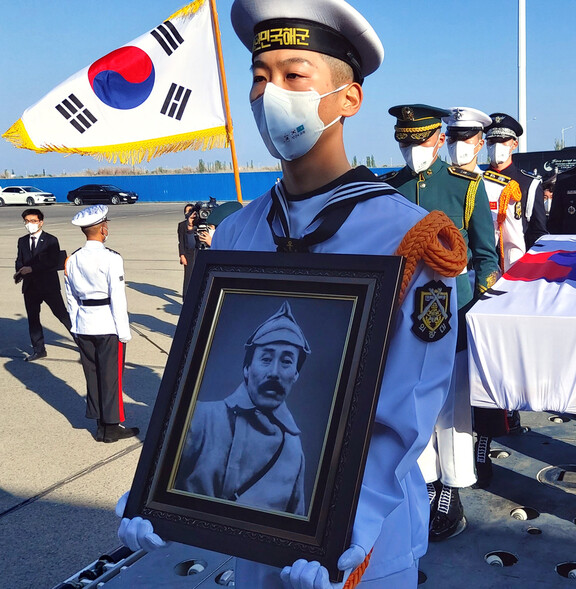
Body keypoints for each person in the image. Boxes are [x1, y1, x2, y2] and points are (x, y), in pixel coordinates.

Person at [117, 2, 465, 587]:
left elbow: (411, 404)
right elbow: (203, 377)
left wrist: (351, 521)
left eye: (294, 75)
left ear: (349, 99)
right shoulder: (237, 232)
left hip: (366, 541)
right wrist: (161, 487)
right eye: (259, 77)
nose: (269, 94)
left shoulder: (409, 238)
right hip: (250, 528)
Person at [382, 104, 499, 541]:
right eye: (405, 142)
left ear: (437, 140)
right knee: (410, 401)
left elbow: (486, 256)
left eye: (420, 141)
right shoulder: (388, 189)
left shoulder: (465, 187)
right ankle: (425, 482)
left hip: (453, 309)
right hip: (402, 313)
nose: (413, 149)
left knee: (451, 406)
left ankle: (451, 489)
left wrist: (476, 306)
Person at [175, 302, 309, 514]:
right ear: (247, 368)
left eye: (286, 362)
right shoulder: (200, 418)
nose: (274, 372)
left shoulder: (294, 451)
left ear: (295, 375)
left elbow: (296, 524)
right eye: (266, 359)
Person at [65, 205, 139, 443]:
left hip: (84, 324)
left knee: (93, 375)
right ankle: (111, 428)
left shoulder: (72, 259)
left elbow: (70, 297)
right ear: (103, 229)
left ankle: (100, 425)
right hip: (107, 324)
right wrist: (124, 332)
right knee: (111, 378)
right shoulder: (111, 258)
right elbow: (117, 297)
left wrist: (75, 325)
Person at [482, 113, 548, 251]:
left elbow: (538, 231)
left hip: (517, 257)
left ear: (514, 144)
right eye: (492, 141)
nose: (497, 146)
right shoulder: (478, 180)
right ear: (486, 143)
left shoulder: (529, 183)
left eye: (503, 141)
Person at [14, 208, 73, 361]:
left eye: (33, 221)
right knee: (33, 319)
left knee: (62, 315)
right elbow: (19, 260)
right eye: (27, 221)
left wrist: (31, 269)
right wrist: (19, 271)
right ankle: (38, 349)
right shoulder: (22, 241)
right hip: (30, 286)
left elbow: (51, 262)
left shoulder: (51, 240)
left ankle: (83, 344)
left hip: (48, 286)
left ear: (41, 222)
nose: (30, 224)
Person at [177, 204, 197, 293]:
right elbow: (181, 241)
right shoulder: (182, 225)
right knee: (188, 277)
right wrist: (182, 255)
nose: (190, 213)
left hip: (198, 252)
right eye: (188, 211)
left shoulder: (200, 224)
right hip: (188, 254)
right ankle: (186, 296)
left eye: (192, 210)